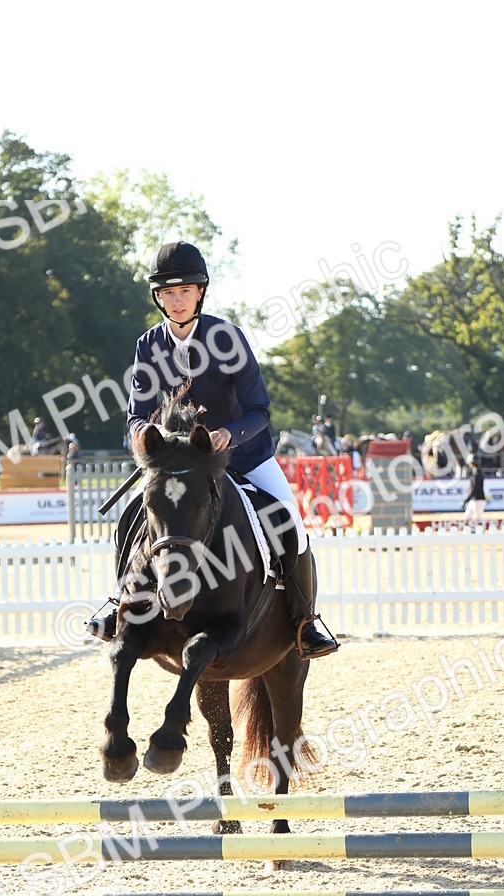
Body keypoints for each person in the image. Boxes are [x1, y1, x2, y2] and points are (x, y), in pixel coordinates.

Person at [87, 240, 338, 659]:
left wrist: (228, 435)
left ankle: (304, 621)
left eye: (184, 290)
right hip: (179, 466)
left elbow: (259, 409)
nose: (177, 300)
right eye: (168, 293)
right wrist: (141, 433)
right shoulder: (148, 345)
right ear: (158, 298)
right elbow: (136, 414)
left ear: (200, 291)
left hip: (243, 457)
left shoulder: (227, 337)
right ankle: (122, 606)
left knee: (291, 523)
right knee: (130, 518)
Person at [463, 455, 486, 526]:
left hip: (478, 499)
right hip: (474, 499)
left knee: (478, 518)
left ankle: (482, 532)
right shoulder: (475, 473)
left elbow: (474, 489)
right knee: (467, 517)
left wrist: (466, 500)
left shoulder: (477, 474)